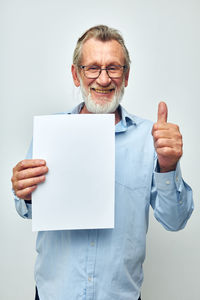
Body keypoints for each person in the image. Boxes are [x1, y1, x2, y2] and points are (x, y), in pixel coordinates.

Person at [11, 25, 193, 300]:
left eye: (113, 68)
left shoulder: (150, 138)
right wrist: (24, 192)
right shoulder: (50, 133)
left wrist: (168, 166)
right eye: (92, 68)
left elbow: (175, 221)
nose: (104, 79)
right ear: (76, 75)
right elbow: (25, 209)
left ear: (126, 76)